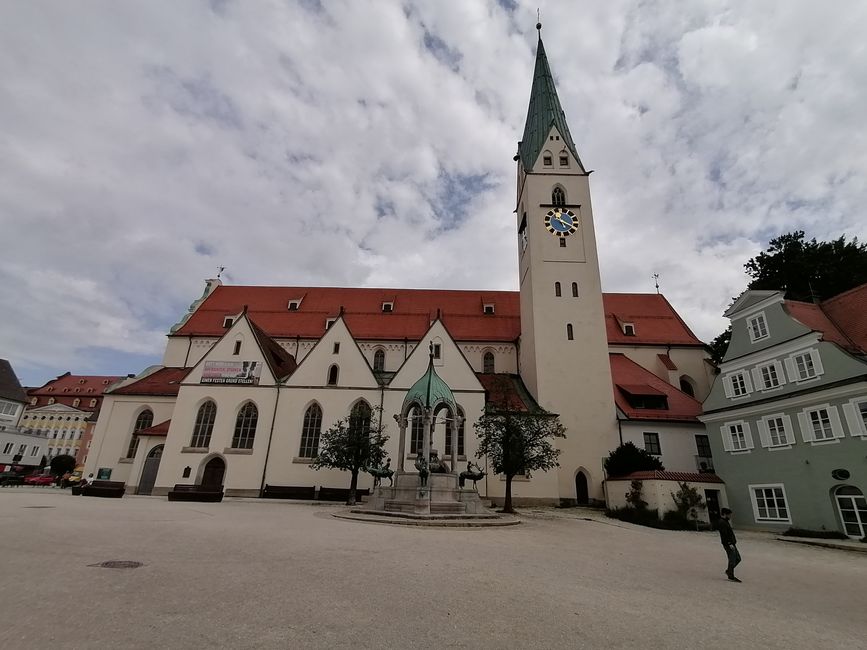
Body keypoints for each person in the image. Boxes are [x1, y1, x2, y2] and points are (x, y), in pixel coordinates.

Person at [717, 507, 741, 582]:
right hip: (728, 544)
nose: (730, 516)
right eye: (729, 515)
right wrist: (729, 543)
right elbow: (724, 535)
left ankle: (729, 571)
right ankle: (730, 575)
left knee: (737, 558)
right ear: (725, 514)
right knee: (732, 559)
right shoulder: (722, 522)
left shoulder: (725, 521)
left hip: (731, 543)